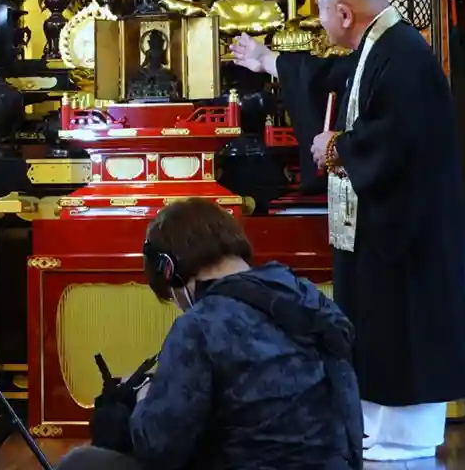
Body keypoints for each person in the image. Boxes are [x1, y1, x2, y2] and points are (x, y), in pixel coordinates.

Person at [230, 0, 465, 461]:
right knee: (379, 324)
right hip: (386, 230)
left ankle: (406, 434)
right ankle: (378, 425)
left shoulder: (404, 56)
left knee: (406, 328)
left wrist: (337, 146)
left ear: (344, 14)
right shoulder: (381, 47)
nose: (319, 23)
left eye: (322, 12)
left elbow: (400, 138)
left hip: (410, 235)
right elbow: (329, 76)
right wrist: (270, 61)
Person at [62, 198, 362, 470]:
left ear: (169, 269)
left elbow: (159, 449)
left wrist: (142, 397)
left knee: (81, 463)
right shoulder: (307, 297)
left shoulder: (200, 324)